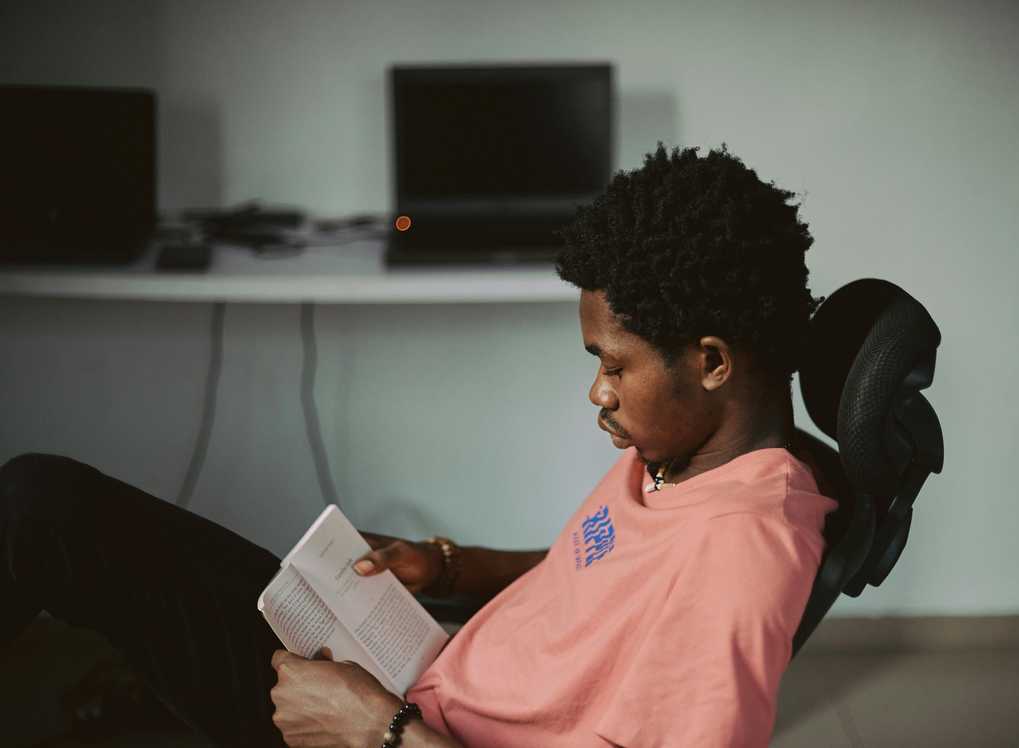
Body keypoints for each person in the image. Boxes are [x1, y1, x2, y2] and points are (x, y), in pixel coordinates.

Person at [0, 143, 836, 747]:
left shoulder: (740, 558)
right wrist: (445, 565)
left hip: (390, 728)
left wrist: (378, 728)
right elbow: (593, 580)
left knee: (43, 517)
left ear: (713, 361)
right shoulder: (684, 458)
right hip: (406, 678)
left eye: (613, 365)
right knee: (47, 502)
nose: (598, 392)